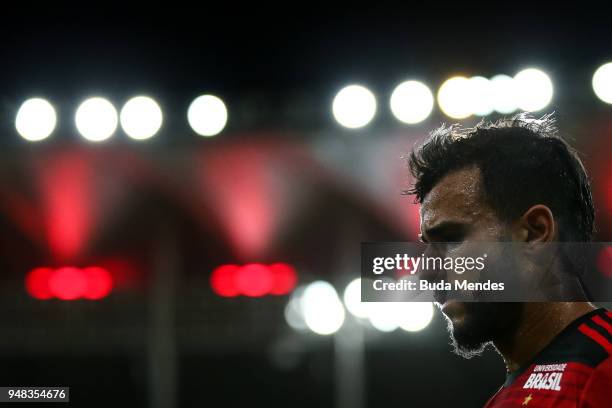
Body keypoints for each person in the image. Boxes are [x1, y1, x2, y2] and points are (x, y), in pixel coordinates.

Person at [407, 113, 611, 407]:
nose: (426, 272)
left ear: (535, 233)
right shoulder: (505, 399)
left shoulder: (602, 370)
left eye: (451, 239)